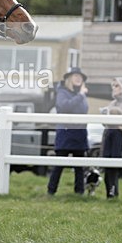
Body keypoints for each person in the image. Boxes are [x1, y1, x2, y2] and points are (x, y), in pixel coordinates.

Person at [47, 67, 89, 195]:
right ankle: (51, 191)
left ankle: (79, 192)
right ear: (69, 78)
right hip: (65, 132)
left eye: (80, 77)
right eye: (75, 76)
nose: (78, 79)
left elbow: (83, 111)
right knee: (59, 164)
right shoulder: (62, 92)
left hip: (79, 133)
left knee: (79, 166)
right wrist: (81, 95)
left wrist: (81, 96)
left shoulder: (81, 95)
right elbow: (65, 106)